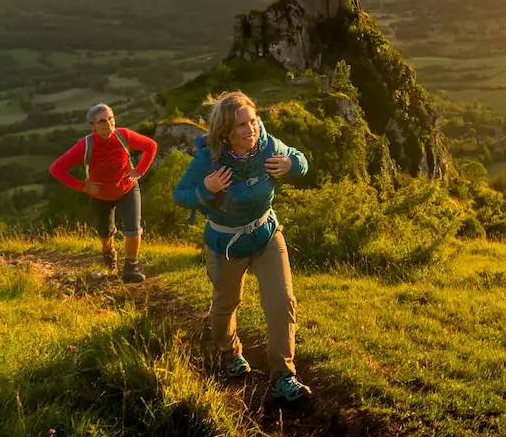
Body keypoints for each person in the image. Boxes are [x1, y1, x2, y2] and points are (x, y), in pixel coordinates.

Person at [172, 90, 312, 403]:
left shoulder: (268, 145)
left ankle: (284, 376)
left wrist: (291, 164)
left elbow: (302, 161)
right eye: (241, 125)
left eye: (253, 120)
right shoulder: (207, 158)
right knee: (226, 304)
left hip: (266, 234)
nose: (251, 129)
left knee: (282, 301)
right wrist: (205, 189)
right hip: (225, 244)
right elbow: (179, 195)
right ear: (225, 131)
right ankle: (229, 352)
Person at [48, 103, 158, 283]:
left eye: (110, 118)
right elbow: (56, 169)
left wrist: (139, 171)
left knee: (133, 228)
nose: (108, 123)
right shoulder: (85, 145)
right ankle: (109, 254)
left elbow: (151, 146)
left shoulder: (124, 136)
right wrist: (83, 186)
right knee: (105, 233)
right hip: (100, 196)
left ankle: (131, 267)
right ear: (92, 126)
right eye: (102, 121)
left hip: (127, 189)